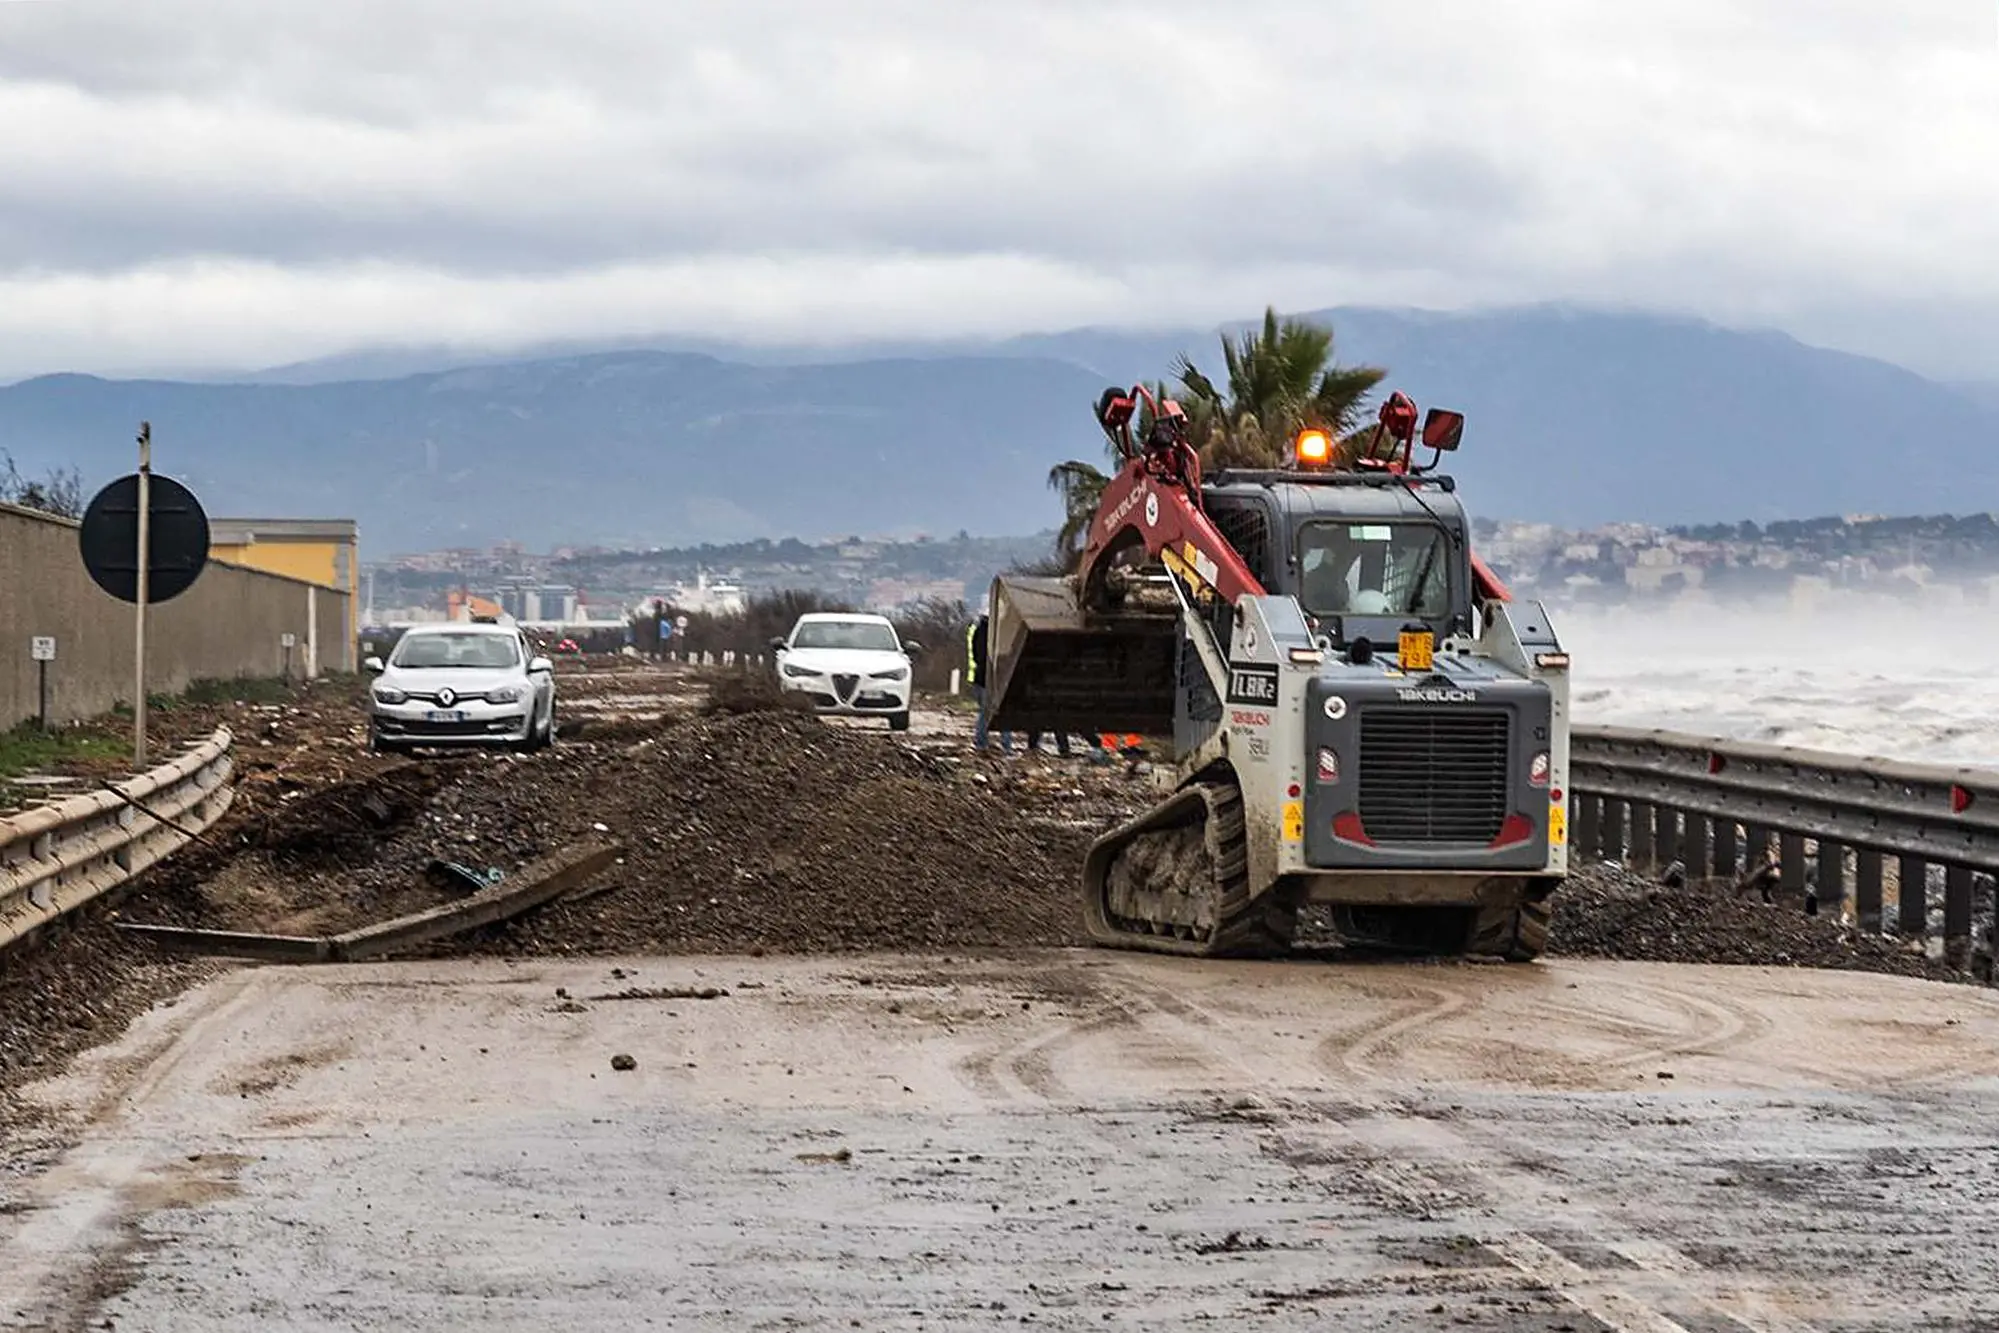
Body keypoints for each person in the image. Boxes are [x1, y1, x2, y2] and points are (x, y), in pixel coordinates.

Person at [966, 614, 1013, 754]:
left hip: (980, 678)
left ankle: (982, 743)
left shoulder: (978, 630)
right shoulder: (995, 631)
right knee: (1000, 712)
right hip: (991, 678)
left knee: (985, 712)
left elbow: (976, 654)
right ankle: (1005, 746)